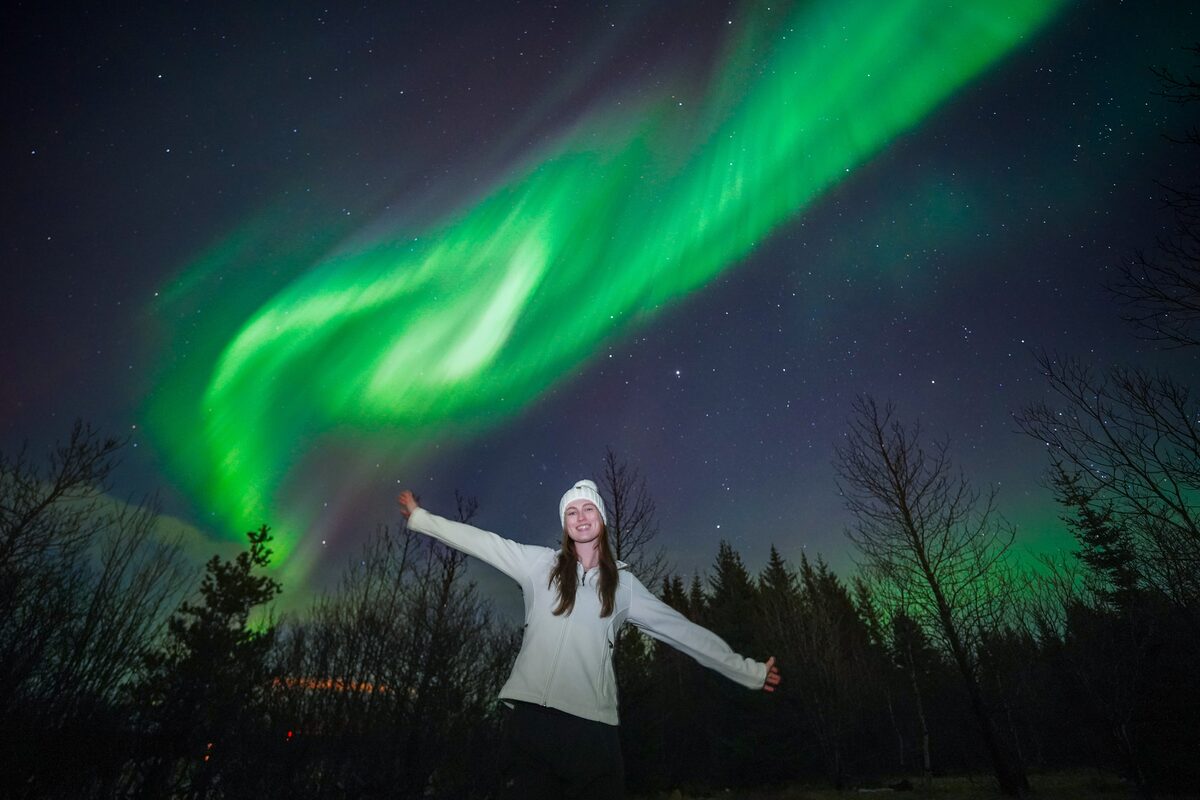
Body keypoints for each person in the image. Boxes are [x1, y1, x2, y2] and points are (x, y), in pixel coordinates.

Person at [397, 479, 781, 799]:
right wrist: (421, 518)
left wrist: (750, 672)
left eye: (588, 510)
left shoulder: (624, 587)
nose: (580, 518)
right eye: (571, 512)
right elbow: (482, 541)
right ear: (565, 523)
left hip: (591, 734)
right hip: (531, 726)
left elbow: (682, 631)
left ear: (602, 519)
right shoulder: (538, 565)